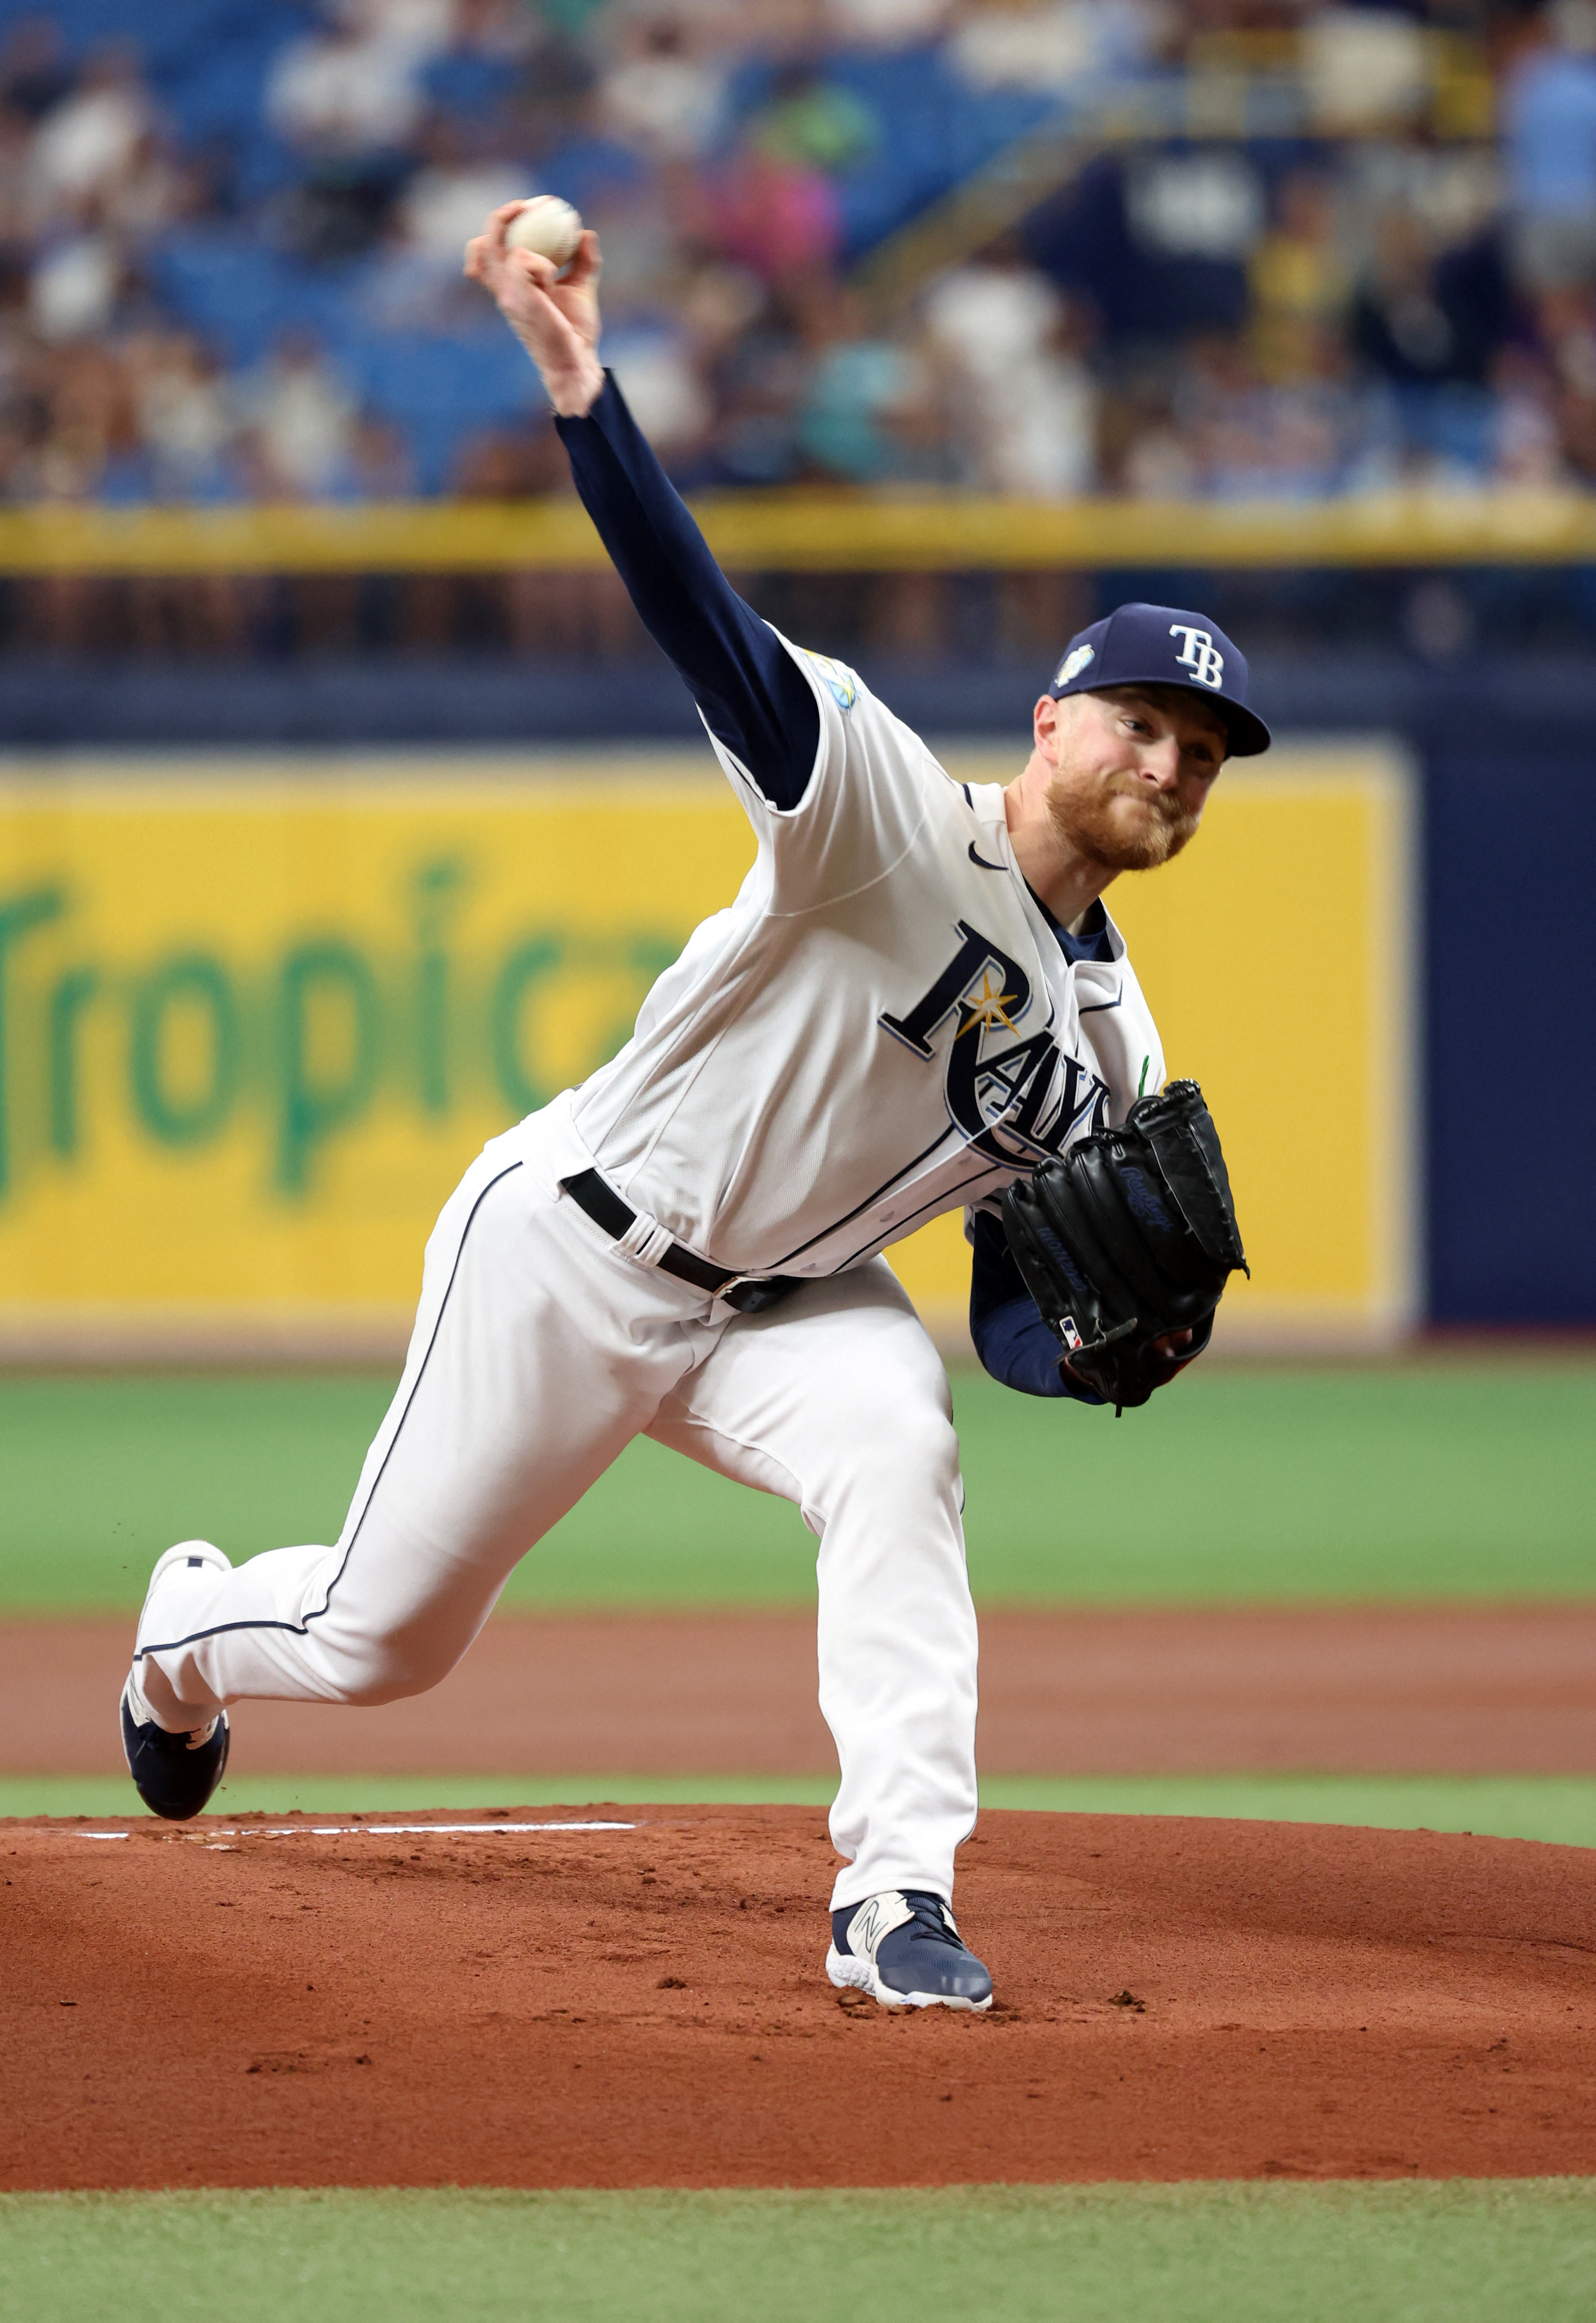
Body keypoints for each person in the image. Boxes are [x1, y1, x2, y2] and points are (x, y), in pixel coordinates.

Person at [119, 203, 1270, 2015]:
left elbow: (1019, 1286)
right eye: (1142, 725)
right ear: (1052, 723)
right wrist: (580, 380)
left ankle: (894, 1895)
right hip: (578, 1246)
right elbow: (704, 621)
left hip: (780, 1309)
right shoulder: (885, 808)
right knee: (375, 1645)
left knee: (902, 1447)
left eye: (1200, 760)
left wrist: (1120, 1322)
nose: (1172, 768)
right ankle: (185, 1635)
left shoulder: (1116, 1038)